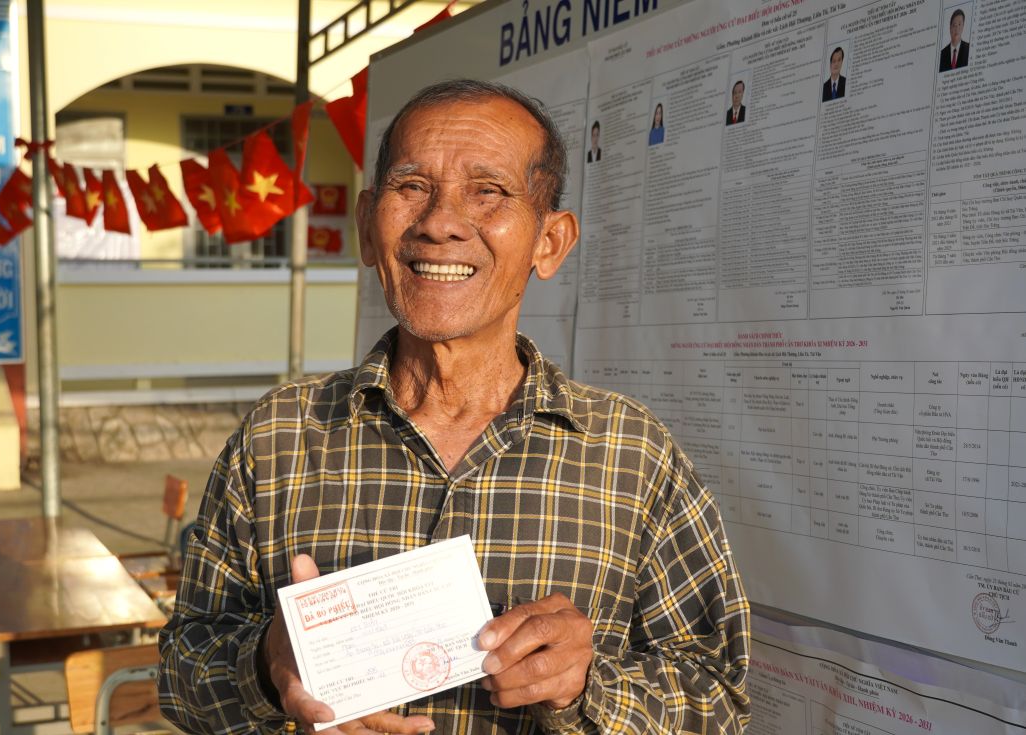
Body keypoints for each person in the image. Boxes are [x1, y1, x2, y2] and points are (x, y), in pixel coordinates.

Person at [157, 79, 750, 735]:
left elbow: (719, 702)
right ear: (367, 225)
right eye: (412, 186)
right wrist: (267, 663)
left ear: (550, 242)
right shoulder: (280, 437)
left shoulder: (632, 456)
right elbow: (181, 675)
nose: (439, 222)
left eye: (487, 191)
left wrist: (586, 689)